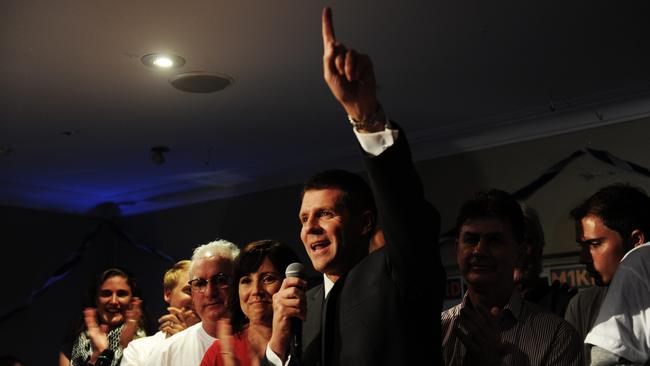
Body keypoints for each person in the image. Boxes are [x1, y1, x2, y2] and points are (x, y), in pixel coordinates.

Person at [267, 7, 444, 365]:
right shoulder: (305, 304)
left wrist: (366, 116)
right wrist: (278, 345)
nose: (309, 228)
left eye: (325, 214)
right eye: (303, 219)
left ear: (364, 223)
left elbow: (405, 211)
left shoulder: (399, 275)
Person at [441, 189, 582, 365]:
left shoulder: (557, 337)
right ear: (457, 249)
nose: (479, 251)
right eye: (471, 239)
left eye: (494, 241)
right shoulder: (439, 330)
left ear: (520, 252)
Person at [564, 184, 650, 365]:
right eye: (582, 246)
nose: (583, 257)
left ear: (636, 241)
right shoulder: (582, 305)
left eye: (595, 244)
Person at [200, 240, 301, 366]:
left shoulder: (312, 336)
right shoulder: (219, 353)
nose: (256, 291)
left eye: (268, 279)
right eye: (246, 281)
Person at [144, 239, 239, 366]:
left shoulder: (266, 343)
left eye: (221, 280)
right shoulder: (167, 353)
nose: (209, 292)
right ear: (192, 294)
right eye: (199, 283)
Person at [60, 268, 146, 366]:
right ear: (95, 299)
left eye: (121, 294)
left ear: (133, 300)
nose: (113, 301)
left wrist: (128, 347)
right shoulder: (74, 340)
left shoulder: (148, 343)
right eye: (106, 294)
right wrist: (97, 357)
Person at [120, 260, 200, 365]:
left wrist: (185, 344)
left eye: (200, 290)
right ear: (168, 294)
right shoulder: (139, 349)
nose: (196, 298)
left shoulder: (218, 344)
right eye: (189, 291)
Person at [514, 203, 576, 316]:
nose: (519, 251)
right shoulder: (482, 305)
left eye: (527, 241)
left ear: (540, 248)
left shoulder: (565, 304)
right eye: (514, 242)